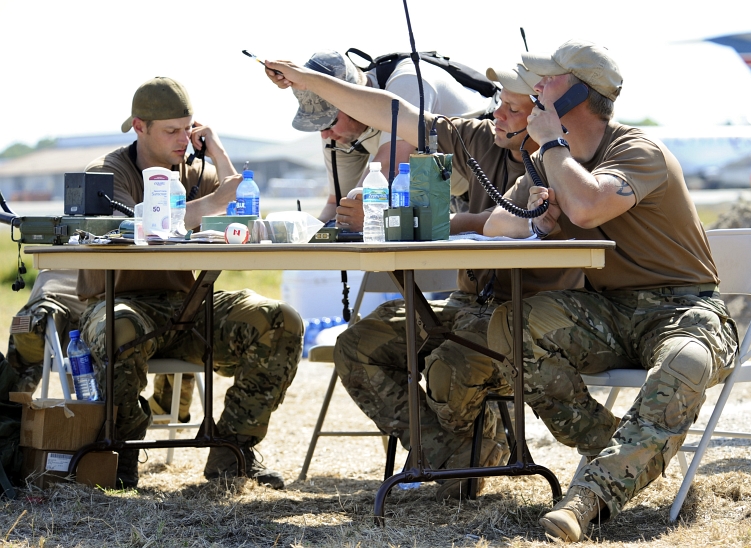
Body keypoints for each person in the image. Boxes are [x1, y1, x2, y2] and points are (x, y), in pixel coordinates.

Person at [264, 57, 583, 500]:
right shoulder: (479, 138)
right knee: (359, 346)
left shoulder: (566, 158)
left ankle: (469, 459)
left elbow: (504, 220)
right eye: (499, 105)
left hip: (526, 316)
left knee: (449, 363)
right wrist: (308, 81)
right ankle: (453, 459)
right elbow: (397, 116)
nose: (497, 114)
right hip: (467, 303)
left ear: (545, 117)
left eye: (512, 109)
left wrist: (429, 220)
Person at [481, 41, 739, 542]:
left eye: (545, 82)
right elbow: (494, 227)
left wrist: (553, 150)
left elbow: (589, 206)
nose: (532, 90)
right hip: (611, 310)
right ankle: (622, 448)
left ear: (579, 93)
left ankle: (590, 498)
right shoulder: (550, 161)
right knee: (512, 326)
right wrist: (536, 218)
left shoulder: (636, 150)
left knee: (685, 362)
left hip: (685, 308)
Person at [78, 76, 304, 489]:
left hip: (187, 306)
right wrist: (210, 203)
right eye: (171, 131)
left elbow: (245, 217)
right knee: (117, 327)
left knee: (280, 320)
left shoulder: (197, 171)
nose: (183, 139)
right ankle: (123, 447)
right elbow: (138, 228)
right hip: (121, 302)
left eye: (189, 128)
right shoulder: (108, 174)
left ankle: (233, 451)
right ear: (139, 127)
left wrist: (217, 152)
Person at [284, 50, 498, 230]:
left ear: (349, 103)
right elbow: (338, 204)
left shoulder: (409, 81)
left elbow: (388, 170)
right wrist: (305, 235)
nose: (323, 134)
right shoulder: (340, 132)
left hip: (495, 178)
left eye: (328, 122)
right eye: (317, 125)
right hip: (449, 194)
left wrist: (358, 217)